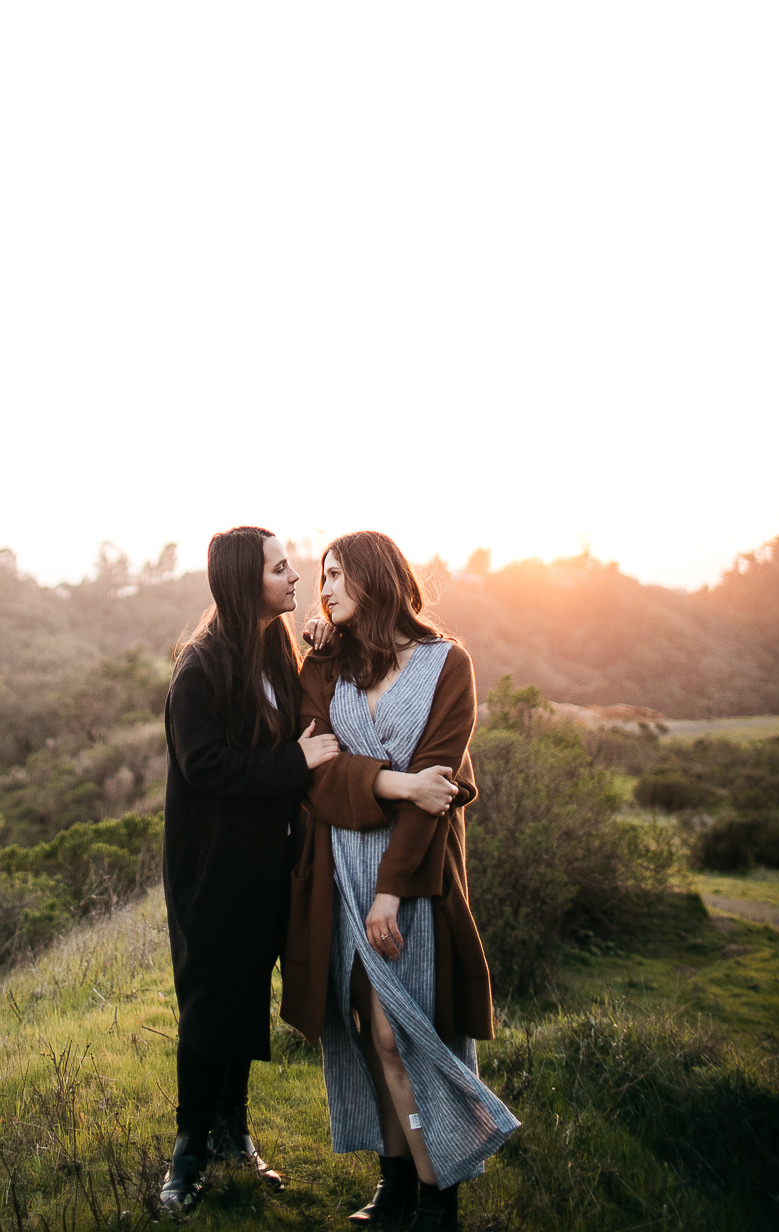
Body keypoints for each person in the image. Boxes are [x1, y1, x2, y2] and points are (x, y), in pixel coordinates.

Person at [160, 525, 463, 1218]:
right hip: (211, 870)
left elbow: (317, 697)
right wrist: (297, 763)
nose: (296, 580)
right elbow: (206, 765)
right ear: (246, 582)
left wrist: (323, 642)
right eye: (281, 569)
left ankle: (234, 1133)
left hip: (272, 863)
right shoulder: (200, 666)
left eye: (301, 569)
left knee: (242, 998)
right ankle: (188, 1151)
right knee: (210, 1003)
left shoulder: (273, 648)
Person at [281, 532, 519, 1232]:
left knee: (406, 1033)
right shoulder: (325, 666)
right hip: (339, 872)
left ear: (374, 575)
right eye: (319, 577)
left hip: (414, 872)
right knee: (366, 1030)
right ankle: (396, 1185)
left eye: (334, 575)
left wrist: (393, 888)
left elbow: (438, 793)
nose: (322, 589)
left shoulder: (450, 664)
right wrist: (396, 781)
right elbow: (316, 782)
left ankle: (439, 1192)